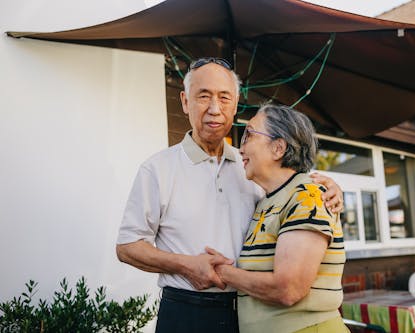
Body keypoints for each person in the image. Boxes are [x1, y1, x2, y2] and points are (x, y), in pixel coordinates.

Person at [115, 57, 344, 333]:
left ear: (235, 106)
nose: (215, 109)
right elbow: (127, 246)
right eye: (203, 96)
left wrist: (328, 187)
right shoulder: (157, 169)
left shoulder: (251, 166)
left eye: (225, 98)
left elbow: (291, 198)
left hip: (252, 310)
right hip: (187, 313)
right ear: (185, 101)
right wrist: (187, 265)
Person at [209, 104, 349, 333]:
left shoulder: (307, 197)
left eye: (249, 135)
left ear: (278, 148)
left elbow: (288, 289)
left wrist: (222, 272)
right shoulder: (269, 200)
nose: (240, 148)